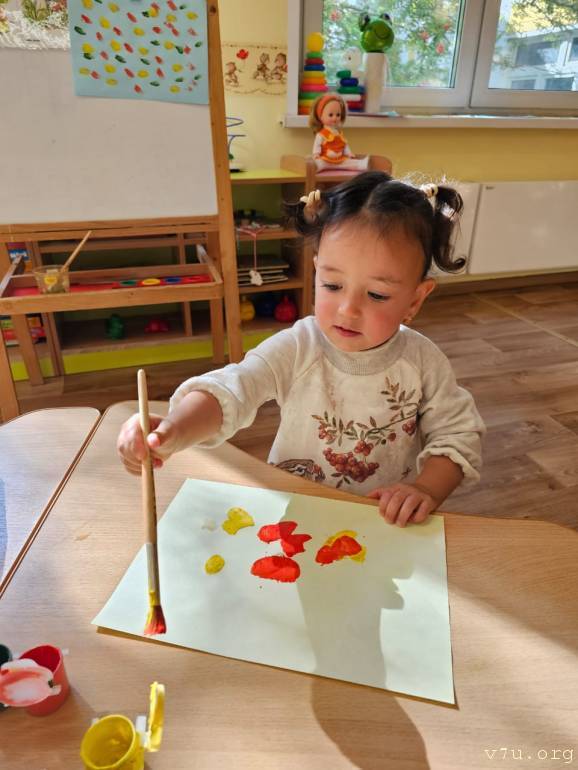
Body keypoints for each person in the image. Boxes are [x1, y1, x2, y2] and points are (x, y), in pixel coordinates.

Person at [117, 172, 484, 528]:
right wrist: (174, 428)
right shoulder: (299, 347)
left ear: (415, 300)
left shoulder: (423, 361)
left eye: (376, 294)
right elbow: (234, 387)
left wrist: (425, 488)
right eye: (332, 285)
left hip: (381, 521)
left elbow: (457, 434)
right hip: (292, 509)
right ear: (316, 271)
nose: (348, 310)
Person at [309, 93, 369, 171]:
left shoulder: (339, 133)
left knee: (348, 162)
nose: (335, 118)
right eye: (330, 115)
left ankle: (362, 164)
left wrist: (348, 153)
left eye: (338, 115)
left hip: (340, 159)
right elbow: (317, 145)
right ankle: (316, 166)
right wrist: (316, 154)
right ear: (321, 117)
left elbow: (344, 145)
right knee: (320, 162)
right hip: (326, 160)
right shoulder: (321, 134)